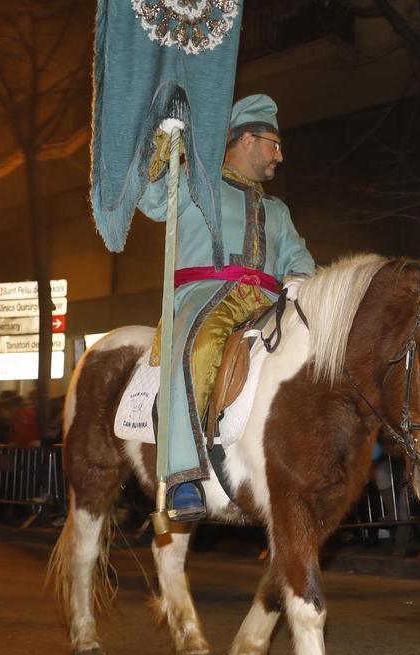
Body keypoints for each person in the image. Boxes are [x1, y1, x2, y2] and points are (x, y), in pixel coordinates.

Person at [139, 94, 315, 521]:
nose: (280, 155)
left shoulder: (278, 209)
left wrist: (299, 278)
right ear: (246, 140)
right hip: (204, 296)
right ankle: (182, 475)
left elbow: (299, 257)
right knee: (196, 353)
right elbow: (152, 201)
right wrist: (165, 141)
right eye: (273, 144)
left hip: (269, 302)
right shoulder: (195, 184)